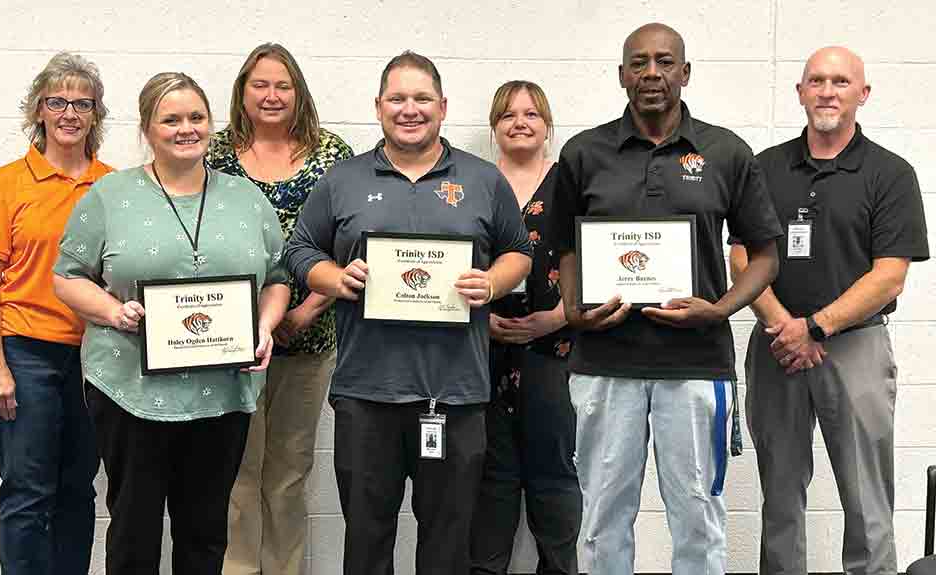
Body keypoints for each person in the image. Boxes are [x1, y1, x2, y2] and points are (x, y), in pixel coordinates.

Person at [285, 51, 532, 575]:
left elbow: (518, 252)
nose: (409, 109)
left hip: (456, 393)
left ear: (442, 107)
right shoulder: (343, 179)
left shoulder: (483, 179)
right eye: (397, 99)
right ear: (378, 107)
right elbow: (302, 249)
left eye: (422, 99)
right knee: (367, 538)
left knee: (447, 541)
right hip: (365, 393)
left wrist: (491, 281)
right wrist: (336, 278)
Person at [550, 23, 783, 575]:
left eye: (663, 61)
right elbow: (563, 248)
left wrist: (722, 307)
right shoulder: (584, 152)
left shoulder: (726, 151)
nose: (651, 73)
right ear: (622, 75)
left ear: (685, 72)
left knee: (698, 516)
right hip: (605, 363)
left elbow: (766, 255)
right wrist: (575, 309)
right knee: (603, 519)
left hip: (696, 363)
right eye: (638, 63)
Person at [53, 72, 290, 575]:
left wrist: (266, 325)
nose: (186, 128)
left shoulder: (247, 198)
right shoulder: (109, 195)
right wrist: (113, 312)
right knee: (135, 531)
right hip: (128, 391)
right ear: (147, 128)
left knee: (205, 533)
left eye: (196, 117)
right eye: (171, 119)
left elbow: (278, 277)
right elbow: (67, 277)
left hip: (223, 393)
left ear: (211, 123)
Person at [729, 46, 929, 575]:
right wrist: (782, 325)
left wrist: (815, 327)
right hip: (777, 346)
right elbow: (742, 256)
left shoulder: (890, 173)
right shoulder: (764, 168)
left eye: (840, 81)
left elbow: (890, 274)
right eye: (815, 80)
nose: (826, 91)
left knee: (867, 499)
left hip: (856, 346)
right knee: (780, 496)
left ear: (862, 94)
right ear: (799, 92)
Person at [206, 42, 353, 575]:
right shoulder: (214, 154)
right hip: (231, 343)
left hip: (309, 340)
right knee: (239, 473)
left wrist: (306, 311)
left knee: (289, 472)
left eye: (283, 85)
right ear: (242, 92)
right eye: (260, 85)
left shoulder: (332, 154)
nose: (271, 95)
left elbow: (350, 244)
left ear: (299, 93)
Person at [0, 51, 111, 575]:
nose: (70, 112)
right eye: (58, 101)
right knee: (29, 490)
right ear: (39, 110)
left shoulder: (113, 186)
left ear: (96, 114)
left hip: (95, 357)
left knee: (77, 489)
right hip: (23, 353)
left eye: (82, 103)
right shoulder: (9, 181)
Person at [470, 80, 580, 575]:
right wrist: (480, 320)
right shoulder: (473, 186)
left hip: (554, 350)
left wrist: (558, 316)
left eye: (532, 114)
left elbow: (601, 261)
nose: (520, 122)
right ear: (495, 126)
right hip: (479, 354)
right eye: (509, 114)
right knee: (488, 476)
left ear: (547, 125)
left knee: (554, 474)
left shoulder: (570, 184)